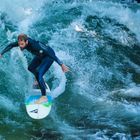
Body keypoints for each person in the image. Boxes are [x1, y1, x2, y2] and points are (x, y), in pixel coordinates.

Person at [0, 34, 69, 103]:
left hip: (48, 56)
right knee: (31, 68)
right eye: (19, 44)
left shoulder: (34, 45)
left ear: (26, 42)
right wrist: (1, 53)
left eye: (22, 44)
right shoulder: (22, 41)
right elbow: (11, 45)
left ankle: (44, 97)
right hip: (40, 55)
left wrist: (61, 64)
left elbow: (49, 52)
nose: (20, 46)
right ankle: (39, 79)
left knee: (39, 74)